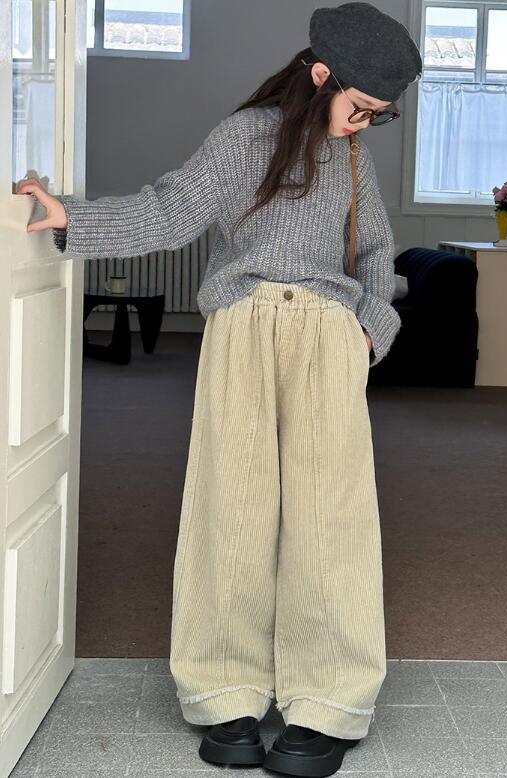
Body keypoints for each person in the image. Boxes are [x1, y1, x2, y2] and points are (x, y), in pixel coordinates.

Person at [15, 3, 422, 775]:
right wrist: (73, 220)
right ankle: (225, 692)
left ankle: (328, 702)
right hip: (244, 329)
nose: (366, 124)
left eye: (380, 115)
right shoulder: (243, 140)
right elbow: (168, 212)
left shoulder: (354, 162)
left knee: (331, 519)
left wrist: (369, 329)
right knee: (229, 511)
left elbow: (376, 253)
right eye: (362, 107)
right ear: (321, 75)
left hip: (328, 337)